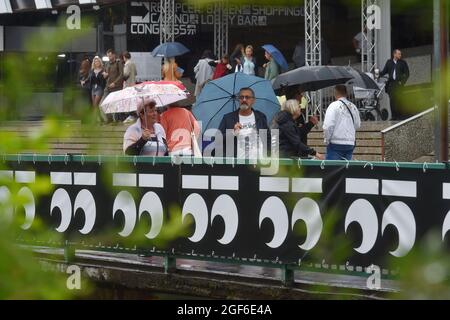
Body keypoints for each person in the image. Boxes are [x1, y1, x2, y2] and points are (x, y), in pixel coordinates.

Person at [218, 87, 270, 159]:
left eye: (247, 97)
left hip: (259, 163)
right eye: (241, 97)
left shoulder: (261, 117)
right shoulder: (228, 118)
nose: (244, 100)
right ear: (238, 100)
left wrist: (268, 156)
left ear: (253, 100)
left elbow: (268, 138)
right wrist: (233, 133)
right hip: (238, 164)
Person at [323, 85, 361, 161]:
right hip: (350, 143)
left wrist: (327, 140)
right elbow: (357, 125)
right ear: (346, 93)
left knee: (332, 170)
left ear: (335, 93)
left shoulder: (333, 106)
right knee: (346, 169)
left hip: (335, 143)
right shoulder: (353, 107)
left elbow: (328, 126)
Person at [379, 49, 410, 120]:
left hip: (399, 84)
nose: (400, 55)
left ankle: (400, 116)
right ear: (394, 54)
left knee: (399, 100)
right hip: (391, 84)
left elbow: (407, 74)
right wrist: (378, 73)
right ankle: (394, 116)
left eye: (400, 54)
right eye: (399, 54)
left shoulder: (403, 63)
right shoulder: (389, 62)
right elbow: (384, 71)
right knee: (392, 101)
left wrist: (402, 82)